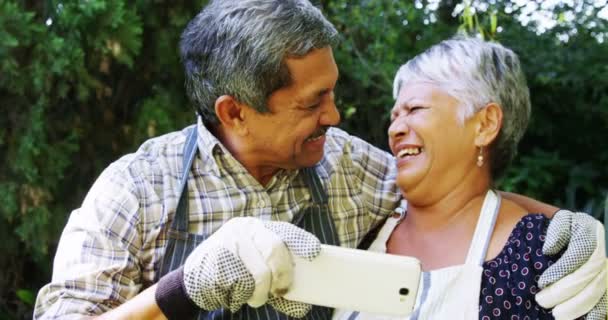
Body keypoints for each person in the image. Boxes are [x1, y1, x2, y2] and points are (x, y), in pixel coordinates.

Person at [34, 1, 606, 319]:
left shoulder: (346, 168)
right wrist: (182, 290)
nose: (336, 117)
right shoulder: (135, 191)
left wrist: (569, 228)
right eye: (313, 103)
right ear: (235, 112)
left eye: (333, 92)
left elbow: (455, 191)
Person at [333, 37, 607, 320]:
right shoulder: (362, 221)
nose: (395, 129)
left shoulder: (538, 255)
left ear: (485, 125)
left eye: (415, 109)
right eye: (395, 115)